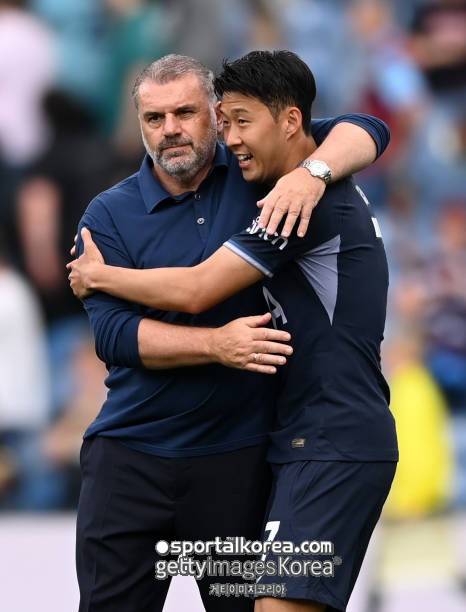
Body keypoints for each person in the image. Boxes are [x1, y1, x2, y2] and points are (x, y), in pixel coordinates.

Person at [68, 53, 391, 611]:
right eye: (154, 118)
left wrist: (310, 175)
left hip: (257, 458)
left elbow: (365, 127)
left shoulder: (276, 183)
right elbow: (114, 337)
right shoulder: (109, 214)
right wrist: (215, 345)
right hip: (134, 458)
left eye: (186, 113)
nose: (170, 129)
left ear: (213, 116)